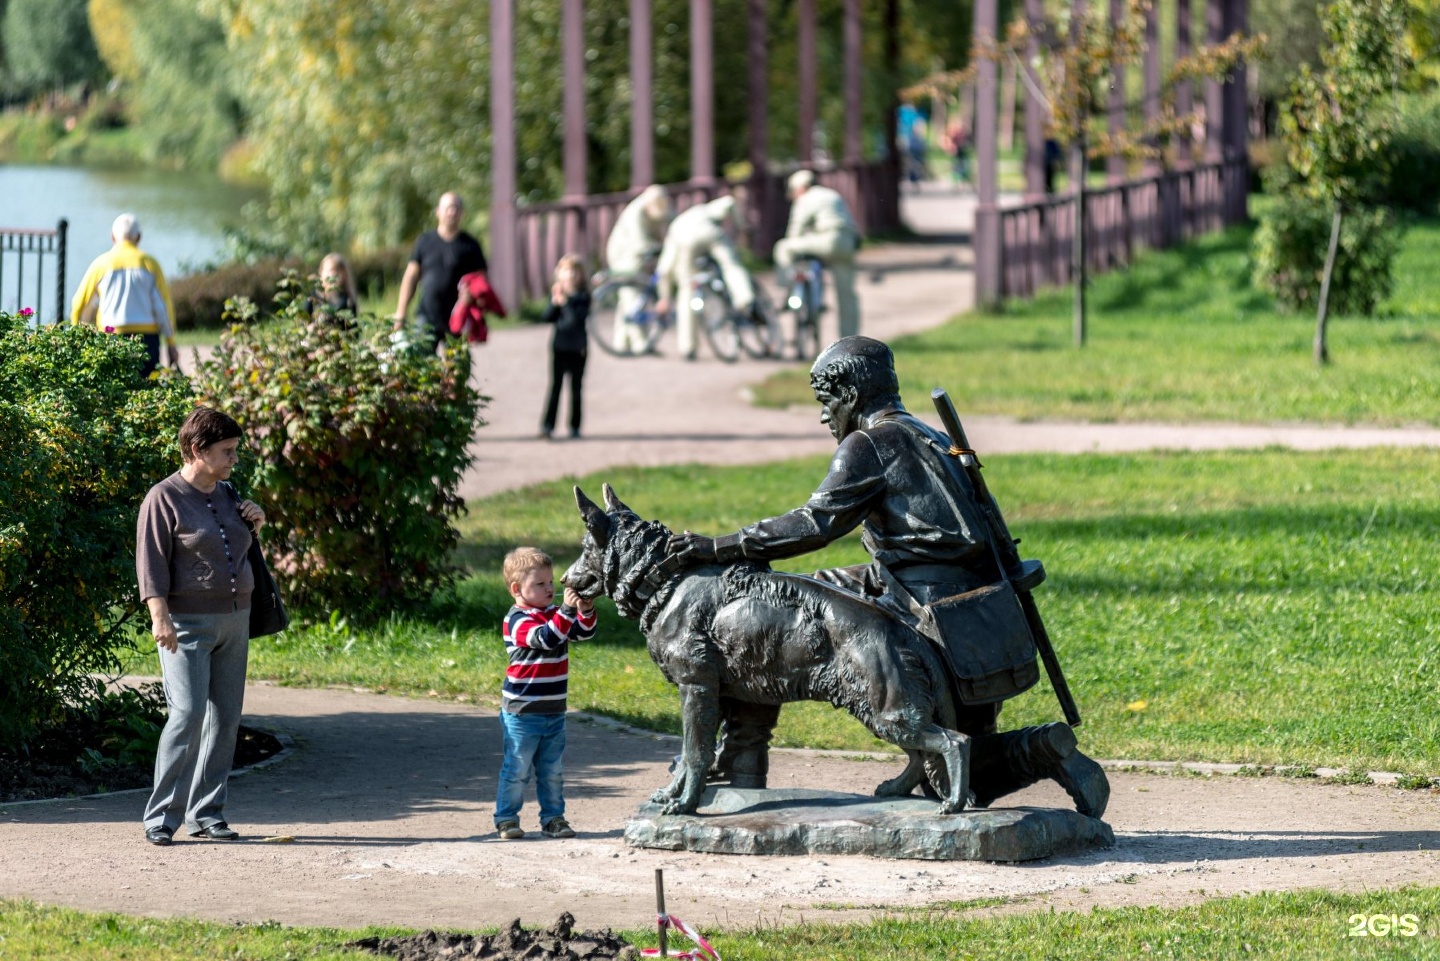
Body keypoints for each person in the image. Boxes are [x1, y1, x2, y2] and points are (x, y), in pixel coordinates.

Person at [665, 337, 1109, 819]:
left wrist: (720, 546)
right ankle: (741, 753)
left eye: (826, 401)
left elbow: (816, 523)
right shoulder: (926, 433)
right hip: (977, 606)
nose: (823, 416)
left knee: (955, 777)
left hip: (922, 607)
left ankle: (1043, 747)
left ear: (851, 396)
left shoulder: (869, 445)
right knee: (774, 611)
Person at [136, 406, 267, 846]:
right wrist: (160, 618)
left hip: (235, 619)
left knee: (226, 718)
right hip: (185, 624)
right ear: (197, 450)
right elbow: (151, 564)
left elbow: (236, 548)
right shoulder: (163, 498)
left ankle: (207, 813)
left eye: (235, 451)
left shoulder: (229, 493)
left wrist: (257, 520)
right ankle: (160, 817)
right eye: (227, 451)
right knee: (188, 713)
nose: (234, 459)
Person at [495, 546, 598, 840]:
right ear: (517, 589)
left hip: (554, 710)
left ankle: (553, 819)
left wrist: (585, 610)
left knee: (552, 772)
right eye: (540, 584)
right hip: (522, 712)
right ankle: (506, 819)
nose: (549, 588)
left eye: (551, 582)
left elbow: (583, 632)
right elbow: (546, 637)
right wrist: (566, 611)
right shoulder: (516, 620)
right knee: (517, 770)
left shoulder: (555, 614)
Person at [70, 213, 179, 377]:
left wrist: (76, 339)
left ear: (112, 236)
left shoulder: (101, 264)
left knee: (112, 393)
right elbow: (163, 307)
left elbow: (79, 304)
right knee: (147, 394)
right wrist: (171, 343)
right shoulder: (150, 263)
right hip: (147, 341)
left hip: (110, 338)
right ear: (139, 237)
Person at [655, 195, 754, 361]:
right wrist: (741, 225)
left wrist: (663, 297)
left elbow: (664, 269)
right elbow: (730, 201)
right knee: (730, 265)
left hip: (686, 243)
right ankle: (744, 298)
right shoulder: (707, 209)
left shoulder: (676, 226)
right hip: (709, 233)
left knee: (687, 288)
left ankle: (687, 347)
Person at [392, 192, 488, 354]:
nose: (452, 212)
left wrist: (472, 296)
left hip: (458, 318)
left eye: (456, 208)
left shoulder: (470, 245)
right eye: (448, 208)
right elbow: (411, 277)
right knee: (423, 369)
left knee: (457, 369)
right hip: (427, 317)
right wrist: (401, 312)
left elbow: (482, 281)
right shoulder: (425, 241)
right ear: (438, 211)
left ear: (462, 212)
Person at [773, 170, 861, 343]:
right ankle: (849, 340)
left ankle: (786, 288)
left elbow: (795, 231)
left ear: (801, 187)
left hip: (825, 240)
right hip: (846, 242)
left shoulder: (805, 199)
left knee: (783, 247)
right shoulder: (832, 194)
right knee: (846, 294)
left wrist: (795, 244)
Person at [604, 185, 673, 353]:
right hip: (624, 256)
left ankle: (620, 342)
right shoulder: (635, 213)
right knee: (631, 296)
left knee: (628, 300)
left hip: (640, 257)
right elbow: (639, 242)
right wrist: (661, 247)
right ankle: (640, 343)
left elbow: (672, 220)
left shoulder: (661, 204)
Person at [539, 254, 590, 440]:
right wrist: (554, 303)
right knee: (555, 387)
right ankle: (547, 426)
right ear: (559, 274)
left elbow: (576, 319)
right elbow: (546, 318)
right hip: (560, 346)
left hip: (578, 348)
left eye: (575, 271)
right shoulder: (557, 294)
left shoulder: (583, 296)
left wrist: (565, 303)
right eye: (567, 271)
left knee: (576, 389)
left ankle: (575, 426)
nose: (571, 275)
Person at [307, 252, 360, 327]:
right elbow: (303, 323)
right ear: (321, 272)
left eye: (337, 272)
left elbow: (353, 330)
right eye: (330, 271)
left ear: (344, 275)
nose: (333, 276)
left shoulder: (348, 301)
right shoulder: (312, 297)